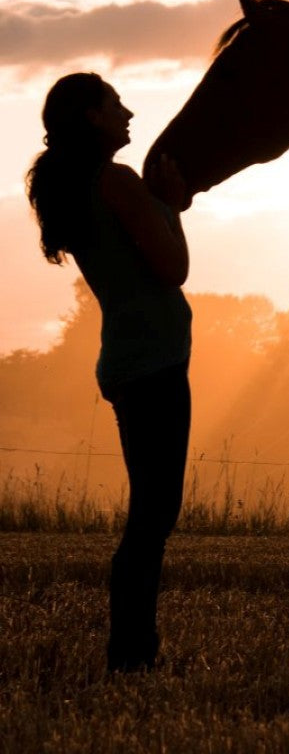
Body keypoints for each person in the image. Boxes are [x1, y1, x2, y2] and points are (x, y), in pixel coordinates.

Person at [26, 72, 192, 672]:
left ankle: (133, 648)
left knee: (152, 510)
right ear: (93, 116)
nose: (128, 112)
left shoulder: (86, 185)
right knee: (154, 513)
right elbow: (172, 268)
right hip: (154, 363)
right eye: (115, 103)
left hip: (130, 359)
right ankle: (130, 651)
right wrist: (173, 207)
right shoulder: (116, 182)